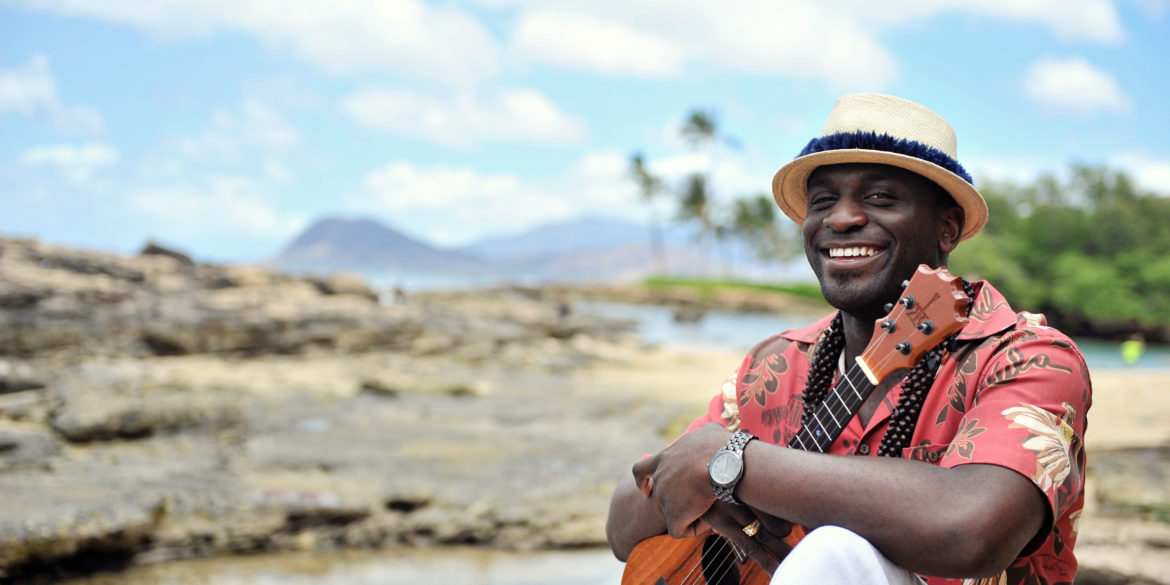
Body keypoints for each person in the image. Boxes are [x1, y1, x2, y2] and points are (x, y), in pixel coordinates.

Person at [606, 94, 1091, 585]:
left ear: (947, 228)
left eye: (880, 197)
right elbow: (624, 526)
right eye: (822, 202)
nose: (841, 219)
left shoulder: (1030, 358)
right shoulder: (774, 364)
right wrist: (705, 476)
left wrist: (732, 463)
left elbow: (970, 531)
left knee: (836, 553)